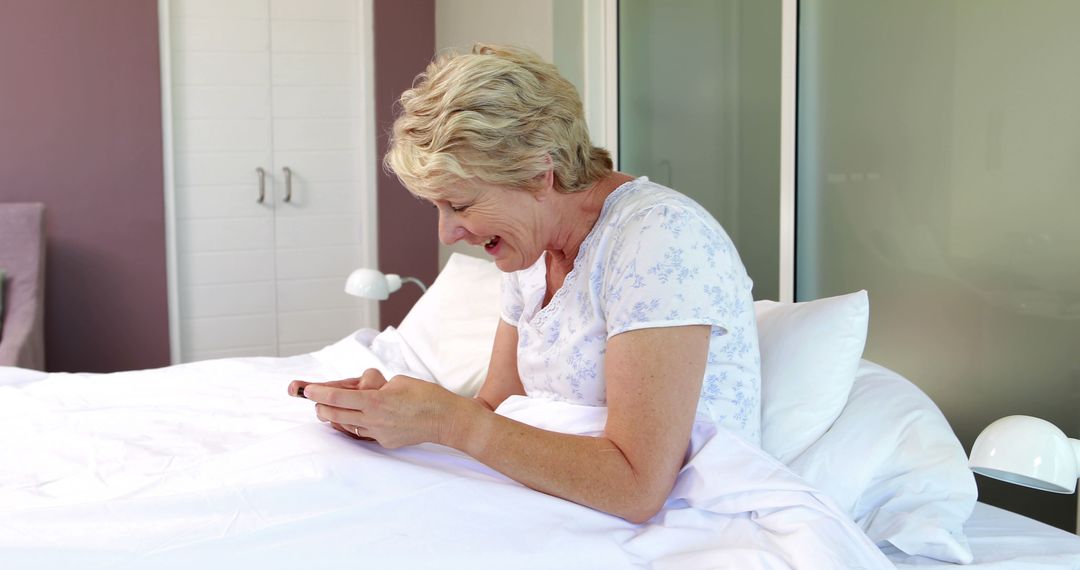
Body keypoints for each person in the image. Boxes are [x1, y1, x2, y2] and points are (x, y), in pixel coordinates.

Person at [289, 44, 760, 524]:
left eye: (461, 205)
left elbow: (637, 486)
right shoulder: (529, 253)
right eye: (439, 208)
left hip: (682, 518)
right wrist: (394, 416)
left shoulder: (660, 238)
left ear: (539, 176)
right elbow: (496, 408)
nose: (447, 234)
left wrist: (448, 421)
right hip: (564, 501)